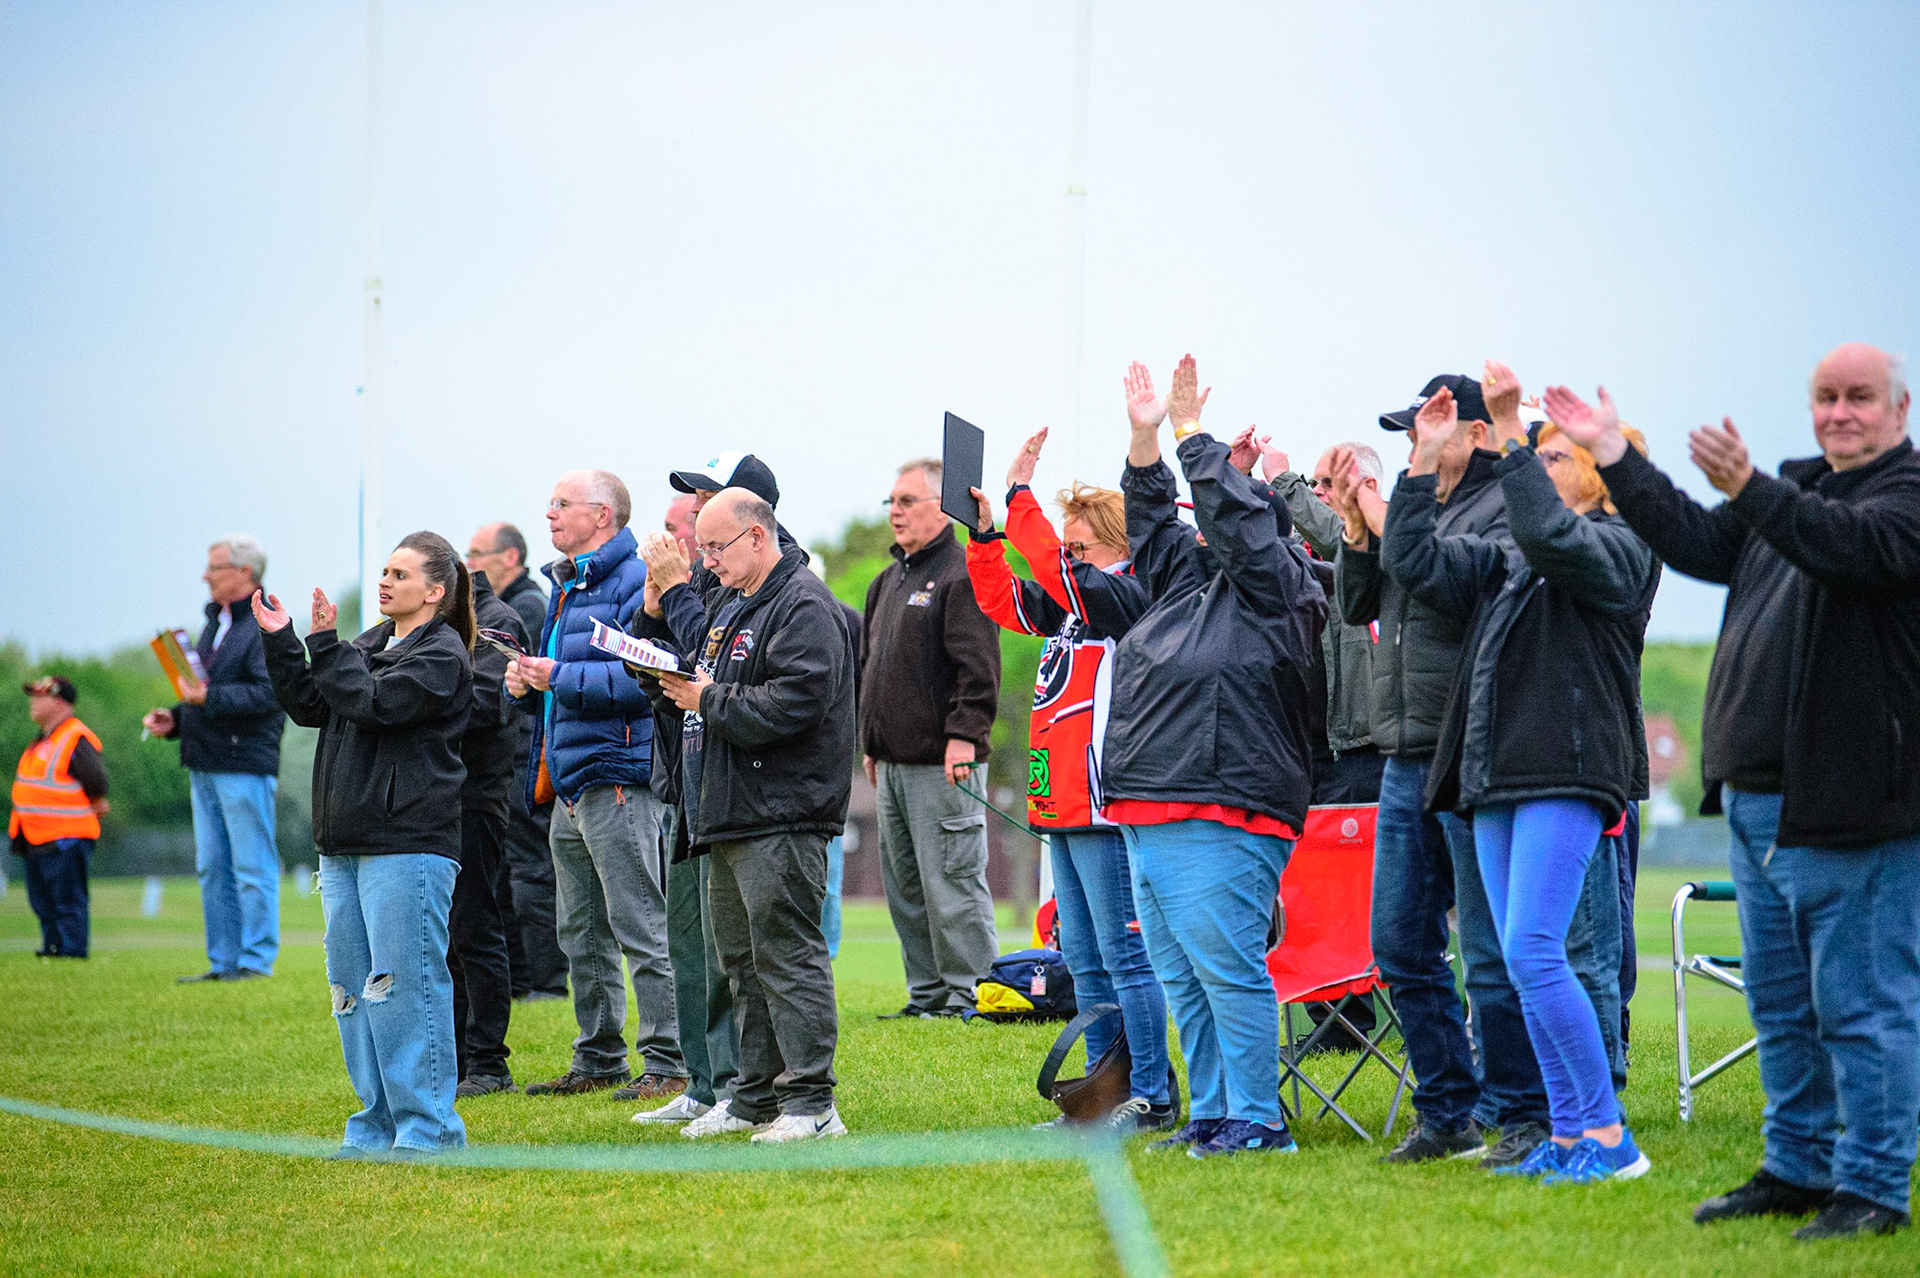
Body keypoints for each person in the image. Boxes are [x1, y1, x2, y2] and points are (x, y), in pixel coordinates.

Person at [1551, 343, 1920, 1239]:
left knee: (1863, 1005)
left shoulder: (1901, 501)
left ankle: (1871, 1186)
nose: (1839, 412)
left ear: (1899, 408)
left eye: (1858, 398)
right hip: (1754, 803)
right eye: (1825, 397)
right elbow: (1692, 538)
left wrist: (1754, 485)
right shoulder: (1795, 493)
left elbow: (1850, 550)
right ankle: (1796, 1167)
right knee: (1782, 1003)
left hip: (1854, 805)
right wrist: (1617, 457)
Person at [1385, 370, 1658, 1187]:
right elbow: (1414, 560)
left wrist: (1506, 442)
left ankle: (1610, 1140)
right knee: (1512, 953)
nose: (1540, 461)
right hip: (1496, 775)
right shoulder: (1514, 554)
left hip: (1568, 770)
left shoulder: (1622, 545)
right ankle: (1570, 1134)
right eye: (1539, 452)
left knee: (1539, 952)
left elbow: (1553, 537)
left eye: (1557, 452)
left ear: (1602, 472)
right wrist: (1420, 466)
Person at [1105, 356, 1326, 1159]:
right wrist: (1144, 439)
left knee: (1225, 969)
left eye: (1230, 511)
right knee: (1183, 976)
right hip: (1148, 808)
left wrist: (1193, 434)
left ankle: (1259, 1122)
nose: (1213, 524)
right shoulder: (1188, 583)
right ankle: (1214, 1115)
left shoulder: (1285, 585)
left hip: (1221, 805)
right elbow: (1155, 527)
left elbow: (1233, 526)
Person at [964, 426, 1173, 1131]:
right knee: (1082, 956)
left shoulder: (1128, 594)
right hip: (1063, 803)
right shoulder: (1072, 602)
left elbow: (1053, 569)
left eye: (1082, 549)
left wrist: (1022, 496)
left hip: (1108, 803)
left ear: (1118, 545)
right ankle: (1101, 1093)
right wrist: (987, 536)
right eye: (1070, 549)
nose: (1070, 561)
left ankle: (1152, 1093)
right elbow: (1003, 602)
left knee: (1126, 955)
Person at [256, 531, 475, 1158]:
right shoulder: (368, 645)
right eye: (384, 571)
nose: (385, 582)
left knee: (405, 988)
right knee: (354, 993)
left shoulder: (442, 657)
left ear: (435, 591)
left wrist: (326, 646)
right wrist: (283, 640)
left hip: (407, 844)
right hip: (344, 845)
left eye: (400, 575)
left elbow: (373, 703)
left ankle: (428, 1131)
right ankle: (376, 1126)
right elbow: (311, 704)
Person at [653, 488, 856, 1142]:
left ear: (758, 538)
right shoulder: (735, 604)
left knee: (787, 957)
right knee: (743, 964)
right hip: (732, 812)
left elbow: (793, 705)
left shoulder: (802, 605)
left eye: (716, 547)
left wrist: (707, 697)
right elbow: (712, 682)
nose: (706, 562)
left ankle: (813, 1105)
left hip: (783, 812)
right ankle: (755, 1099)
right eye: (702, 549)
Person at [505, 470, 686, 1101]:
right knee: (579, 932)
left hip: (619, 780)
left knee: (640, 926)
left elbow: (648, 681)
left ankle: (668, 1060)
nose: (549, 513)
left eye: (562, 504)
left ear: (603, 514)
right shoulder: (566, 586)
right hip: (573, 784)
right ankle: (599, 1058)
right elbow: (568, 683)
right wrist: (529, 684)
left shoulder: (635, 579)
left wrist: (556, 674)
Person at [627, 454, 789, 1126]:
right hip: (686, 775)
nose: (691, 530)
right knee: (687, 943)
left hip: (739, 789)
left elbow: (715, 662)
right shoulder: (706, 582)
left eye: (700, 511)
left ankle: (736, 1086)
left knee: (736, 954)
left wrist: (681, 598)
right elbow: (668, 674)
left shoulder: (771, 580)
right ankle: (701, 1079)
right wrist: (649, 612)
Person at [861, 457, 1002, 1018]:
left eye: (907, 501)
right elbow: (874, 667)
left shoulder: (962, 573)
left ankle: (971, 995)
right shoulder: (887, 580)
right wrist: (871, 742)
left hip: (945, 763)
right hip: (892, 765)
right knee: (907, 888)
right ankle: (926, 996)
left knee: (953, 883)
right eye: (891, 502)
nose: (895, 512)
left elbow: (979, 669)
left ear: (942, 508)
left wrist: (964, 735)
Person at [143, 537, 288, 984]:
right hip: (204, 761)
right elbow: (205, 691)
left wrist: (207, 697)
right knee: (212, 868)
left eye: (216, 567)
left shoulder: (264, 625)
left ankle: (256, 961)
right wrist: (178, 719)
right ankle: (224, 962)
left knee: (250, 867)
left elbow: (272, 693)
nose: (206, 575)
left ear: (246, 573)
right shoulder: (217, 624)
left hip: (244, 765)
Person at [466, 522, 566, 1002]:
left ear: (510, 557)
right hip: (522, 752)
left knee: (529, 868)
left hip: (525, 753)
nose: (470, 563)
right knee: (514, 870)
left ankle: (544, 980)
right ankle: (526, 978)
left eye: (478, 553)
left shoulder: (519, 608)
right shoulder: (524, 603)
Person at [448, 571, 531, 1097]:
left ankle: (486, 1064)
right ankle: (454, 1060)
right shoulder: (413, 624)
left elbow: (486, 706)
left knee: (475, 928)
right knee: (445, 940)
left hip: (475, 796)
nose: (386, 584)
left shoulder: (495, 620)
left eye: (399, 573)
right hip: (429, 803)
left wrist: (415, 697)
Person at [10, 676, 108, 959]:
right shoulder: (41, 740)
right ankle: (53, 948)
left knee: (67, 900)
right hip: (35, 835)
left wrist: (96, 802)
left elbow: (96, 782)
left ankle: (72, 951)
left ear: (60, 702)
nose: (33, 703)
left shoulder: (74, 736)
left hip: (66, 836)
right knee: (42, 901)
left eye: (40, 697)